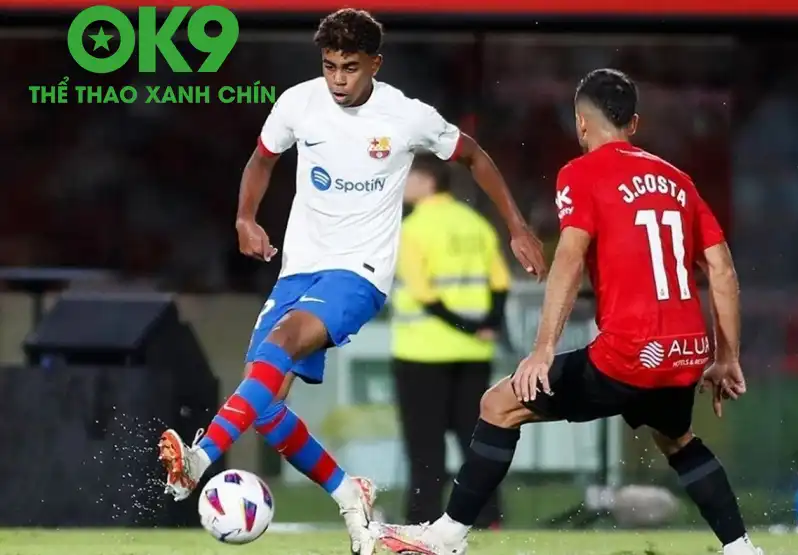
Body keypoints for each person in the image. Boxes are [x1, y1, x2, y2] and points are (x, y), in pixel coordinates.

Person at [155, 8, 546, 555]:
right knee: (261, 403)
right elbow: (262, 160)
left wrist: (518, 228)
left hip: (359, 272)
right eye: (330, 66)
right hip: (298, 270)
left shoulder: (406, 116)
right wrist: (245, 217)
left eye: (350, 67)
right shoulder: (298, 103)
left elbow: (474, 157)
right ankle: (349, 494)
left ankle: (199, 460)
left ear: (375, 64)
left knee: (284, 342)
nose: (338, 79)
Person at [376, 68, 764, 555]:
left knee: (499, 405)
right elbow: (722, 270)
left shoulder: (580, 173)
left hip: (628, 354)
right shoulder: (678, 180)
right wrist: (726, 357)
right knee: (677, 438)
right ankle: (740, 547)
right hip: (685, 353)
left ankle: (446, 536)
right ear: (634, 123)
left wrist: (543, 350)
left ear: (581, 123)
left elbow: (569, 258)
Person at [391, 154, 508, 528]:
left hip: (421, 352)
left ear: (428, 181)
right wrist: (486, 325)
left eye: (409, 177)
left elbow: (424, 295)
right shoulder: (475, 223)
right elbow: (500, 283)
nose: (403, 184)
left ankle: (422, 520)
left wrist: (465, 327)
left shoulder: (413, 229)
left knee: (425, 447)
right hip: (474, 354)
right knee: (477, 441)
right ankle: (488, 518)